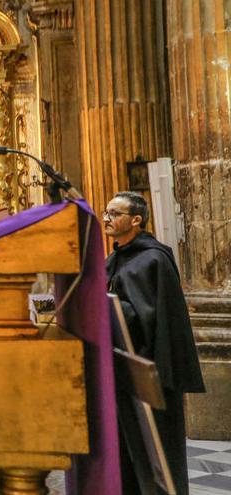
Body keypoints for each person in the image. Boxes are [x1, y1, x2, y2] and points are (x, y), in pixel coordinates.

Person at [105, 191, 205, 495]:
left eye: (115, 214)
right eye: (106, 212)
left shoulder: (153, 259)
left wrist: (105, 306)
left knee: (159, 456)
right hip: (123, 369)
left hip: (152, 370)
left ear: (136, 220)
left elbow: (146, 318)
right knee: (128, 453)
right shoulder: (116, 257)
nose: (107, 218)